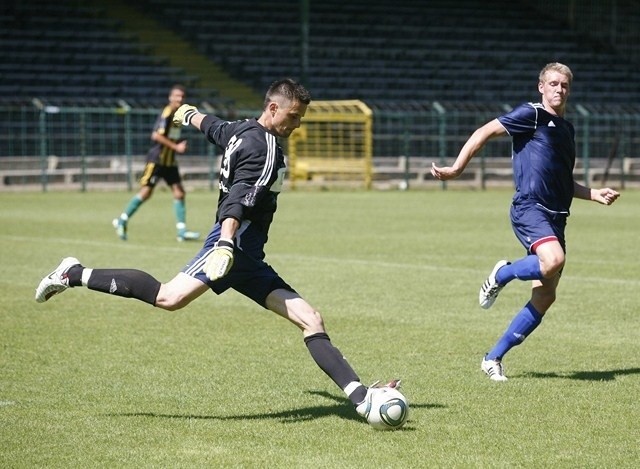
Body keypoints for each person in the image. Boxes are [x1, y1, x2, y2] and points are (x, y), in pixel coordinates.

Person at [36, 78, 399, 422]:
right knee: (168, 297)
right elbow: (236, 205)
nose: (298, 124)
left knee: (311, 319)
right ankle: (73, 273)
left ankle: (363, 400)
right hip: (232, 249)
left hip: (248, 258)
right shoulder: (264, 150)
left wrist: (187, 114)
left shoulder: (241, 130)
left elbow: (210, 126)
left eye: (301, 117)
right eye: (294, 116)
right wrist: (225, 242)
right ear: (273, 108)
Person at [430, 63, 620, 381]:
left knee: (545, 295)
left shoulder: (567, 129)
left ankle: (492, 358)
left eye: (565, 85)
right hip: (530, 208)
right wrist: (457, 168)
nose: (560, 89)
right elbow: (484, 132)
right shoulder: (531, 115)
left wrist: (594, 193)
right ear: (541, 87)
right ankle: (502, 273)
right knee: (552, 260)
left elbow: (562, 181)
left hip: (557, 217)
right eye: (554, 83)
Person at [112, 84, 200, 242]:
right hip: (157, 160)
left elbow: (171, 135)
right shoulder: (166, 113)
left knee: (179, 193)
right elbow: (156, 136)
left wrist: (179, 143)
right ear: (170, 97)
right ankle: (122, 220)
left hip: (170, 161)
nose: (179, 99)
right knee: (146, 193)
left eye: (182, 97)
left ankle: (181, 232)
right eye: (177, 96)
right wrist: (176, 146)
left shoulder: (177, 117)